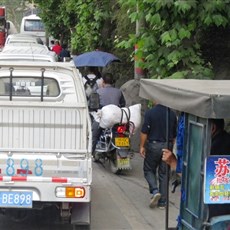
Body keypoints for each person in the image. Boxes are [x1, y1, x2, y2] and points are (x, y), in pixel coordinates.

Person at [162, 118, 230, 219]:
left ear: (212, 128)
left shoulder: (214, 149)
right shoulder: (223, 140)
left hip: (213, 215)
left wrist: (174, 163)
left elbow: (195, 182)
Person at [139, 102, 177, 209]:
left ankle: (155, 191)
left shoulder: (150, 113)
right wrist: (170, 147)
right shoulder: (172, 114)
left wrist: (142, 146)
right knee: (164, 174)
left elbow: (144, 132)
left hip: (154, 145)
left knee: (148, 170)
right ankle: (163, 203)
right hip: (167, 145)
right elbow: (174, 135)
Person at [92, 72, 126, 155]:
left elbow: (94, 106)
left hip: (103, 119)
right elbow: (123, 104)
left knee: (94, 135)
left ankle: (91, 153)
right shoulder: (119, 92)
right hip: (117, 119)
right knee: (123, 133)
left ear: (103, 82)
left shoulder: (98, 91)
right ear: (113, 81)